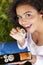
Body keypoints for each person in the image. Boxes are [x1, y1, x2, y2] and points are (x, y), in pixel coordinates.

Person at [8, 0, 43, 65]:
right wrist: (21, 40)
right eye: (19, 17)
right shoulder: (31, 28)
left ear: (41, 12)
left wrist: (31, 58)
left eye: (28, 15)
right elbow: (25, 46)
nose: (22, 21)